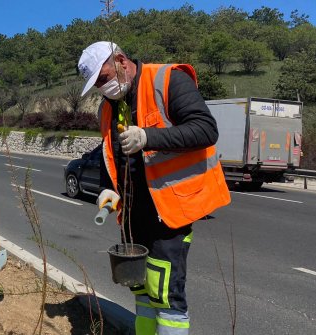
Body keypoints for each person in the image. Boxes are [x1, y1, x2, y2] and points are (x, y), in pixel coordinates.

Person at [77, 41, 231, 335]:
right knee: (142, 291)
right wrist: (108, 188)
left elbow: (205, 129)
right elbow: (112, 153)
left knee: (167, 296)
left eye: (103, 78)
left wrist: (149, 137)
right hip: (135, 216)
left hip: (170, 212)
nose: (102, 88)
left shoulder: (168, 80)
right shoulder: (108, 107)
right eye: (96, 84)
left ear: (121, 60)